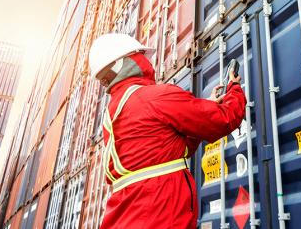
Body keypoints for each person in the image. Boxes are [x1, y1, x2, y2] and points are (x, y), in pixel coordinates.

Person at [88, 33, 246, 229]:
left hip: (126, 217)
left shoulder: (112, 114)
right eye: (141, 56)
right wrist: (235, 89)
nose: (147, 61)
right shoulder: (155, 97)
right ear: (126, 62)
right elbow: (223, 119)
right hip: (159, 215)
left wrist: (206, 106)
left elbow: (172, 149)